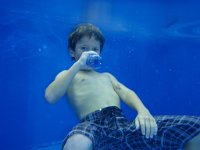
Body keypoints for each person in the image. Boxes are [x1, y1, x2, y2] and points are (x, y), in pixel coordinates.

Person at [45, 23, 200, 150]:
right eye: (83, 48)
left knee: (195, 127)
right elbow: (51, 97)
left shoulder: (107, 77)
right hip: (92, 125)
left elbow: (127, 94)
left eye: (94, 49)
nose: (89, 53)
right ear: (72, 51)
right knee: (77, 142)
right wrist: (78, 65)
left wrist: (143, 111)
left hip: (123, 125)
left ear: (100, 53)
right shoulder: (68, 75)